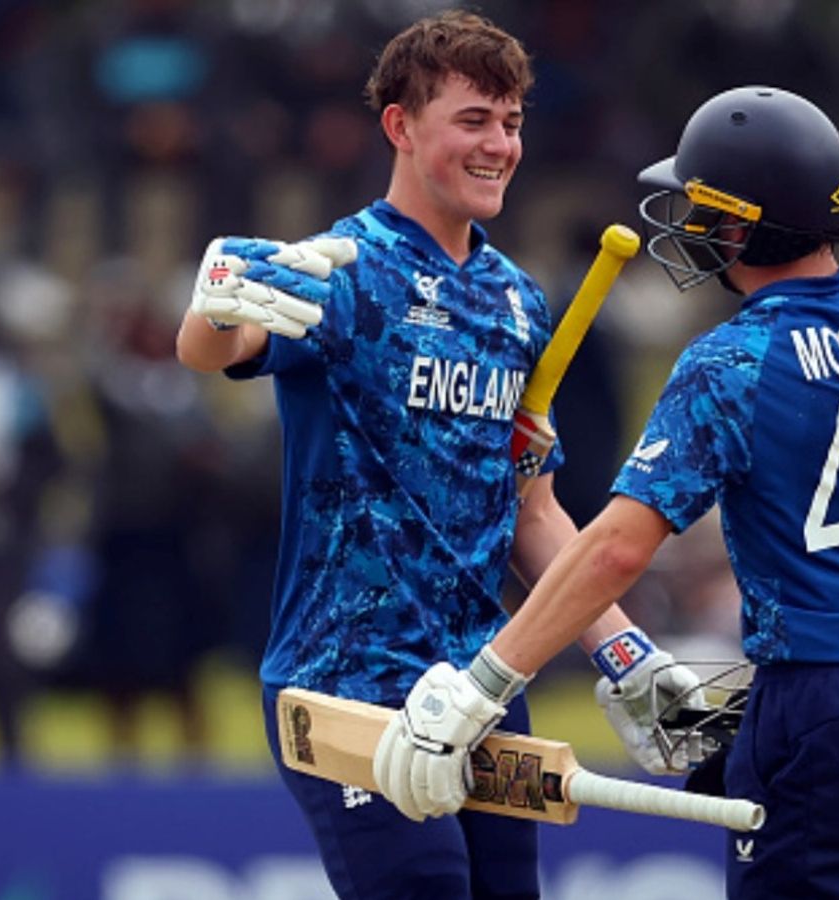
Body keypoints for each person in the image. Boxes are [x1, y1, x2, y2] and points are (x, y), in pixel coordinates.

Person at [373, 84, 839, 900]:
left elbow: (617, 548)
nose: (689, 224)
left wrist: (482, 687)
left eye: (703, 208)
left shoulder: (732, 362)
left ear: (742, 226)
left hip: (822, 707)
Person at [175, 11, 696, 898]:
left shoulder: (518, 302)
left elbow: (532, 512)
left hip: (479, 685)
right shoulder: (342, 267)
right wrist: (216, 301)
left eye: (512, 122)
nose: (499, 145)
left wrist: (625, 651)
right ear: (401, 126)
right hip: (347, 682)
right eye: (473, 120)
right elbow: (212, 349)